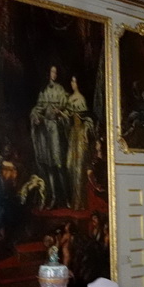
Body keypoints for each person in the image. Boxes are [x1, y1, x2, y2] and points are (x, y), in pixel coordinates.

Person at [30, 65, 69, 208]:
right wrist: (36, 117)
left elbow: (67, 109)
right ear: (48, 74)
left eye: (55, 72)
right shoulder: (44, 91)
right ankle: (53, 197)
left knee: (59, 165)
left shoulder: (60, 90)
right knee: (49, 166)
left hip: (55, 130)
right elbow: (37, 109)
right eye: (52, 71)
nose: (54, 74)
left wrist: (59, 113)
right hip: (45, 131)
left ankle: (65, 197)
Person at [65, 75, 94, 209]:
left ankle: (80, 202)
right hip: (73, 135)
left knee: (79, 168)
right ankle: (73, 200)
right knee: (70, 165)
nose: (72, 83)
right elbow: (68, 119)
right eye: (71, 81)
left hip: (80, 135)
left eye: (75, 81)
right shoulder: (69, 99)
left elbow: (85, 118)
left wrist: (86, 131)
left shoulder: (81, 99)